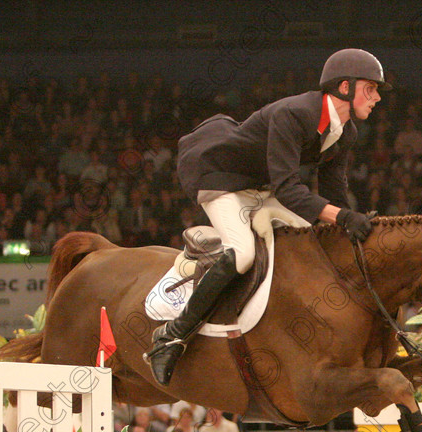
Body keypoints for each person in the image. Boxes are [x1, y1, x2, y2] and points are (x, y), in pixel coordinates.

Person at [145, 49, 389, 385]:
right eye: (370, 89)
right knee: (243, 253)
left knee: (310, 238)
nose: (376, 98)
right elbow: (289, 189)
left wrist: (350, 221)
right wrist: (343, 217)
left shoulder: (345, 131)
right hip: (222, 181)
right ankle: (171, 337)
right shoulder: (295, 113)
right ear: (344, 87)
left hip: (261, 189)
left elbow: (334, 190)